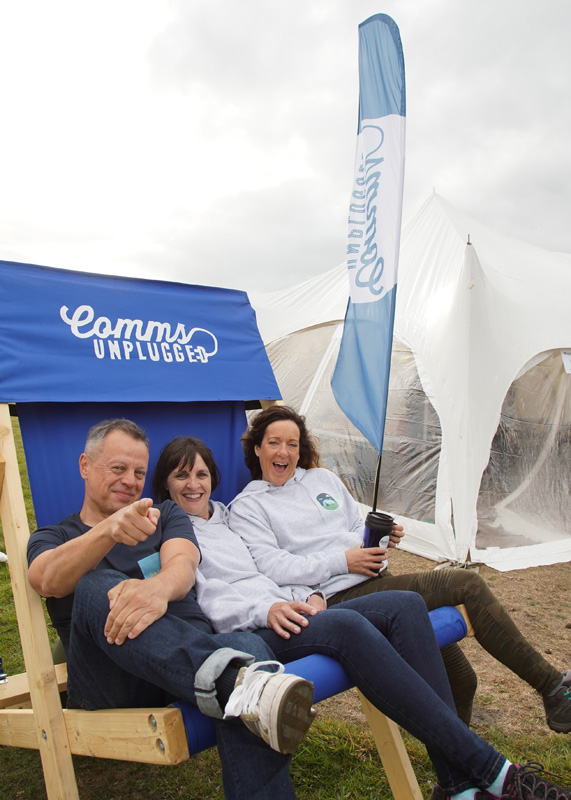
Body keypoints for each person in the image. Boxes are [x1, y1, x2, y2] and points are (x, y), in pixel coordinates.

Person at [152, 435, 571, 800]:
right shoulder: (175, 531)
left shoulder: (228, 516)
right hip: (261, 626)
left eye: (201, 475)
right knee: (373, 618)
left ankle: (457, 785)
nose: (193, 485)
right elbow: (206, 594)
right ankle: (493, 771)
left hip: (300, 606)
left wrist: (311, 594)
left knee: (410, 611)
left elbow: (270, 568)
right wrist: (269, 606)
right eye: (181, 476)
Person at [228, 405, 571, 732]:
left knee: (462, 681)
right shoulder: (248, 506)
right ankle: (553, 688)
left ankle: (454, 779)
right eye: (274, 443)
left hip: (374, 580)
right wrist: (343, 561)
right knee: (466, 583)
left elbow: (353, 527)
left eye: (292, 443)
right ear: (257, 448)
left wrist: (377, 542)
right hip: (336, 600)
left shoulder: (322, 480)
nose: (283, 452)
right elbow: (272, 566)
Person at [26, 419, 317, 800]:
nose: (130, 481)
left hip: (185, 668)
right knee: (97, 586)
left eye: (138, 472)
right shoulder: (55, 535)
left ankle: (238, 684)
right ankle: (234, 682)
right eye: (118, 468)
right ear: (85, 465)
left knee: (250, 649)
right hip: (113, 680)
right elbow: (46, 579)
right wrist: (107, 531)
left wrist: (158, 589)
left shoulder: (163, 516)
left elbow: (182, 565)